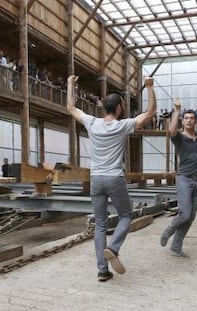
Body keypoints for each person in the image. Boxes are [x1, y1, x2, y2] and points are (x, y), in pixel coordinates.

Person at [66, 75, 156, 281]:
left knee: (100, 224)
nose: (124, 109)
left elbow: (71, 108)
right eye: (123, 106)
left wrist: (71, 84)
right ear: (118, 108)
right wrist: (150, 88)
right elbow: (150, 113)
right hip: (114, 178)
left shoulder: (92, 123)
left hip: (96, 179)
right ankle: (114, 248)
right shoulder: (122, 125)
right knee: (125, 215)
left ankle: (102, 269)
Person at [160, 95, 197, 257]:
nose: (189, 120)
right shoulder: (179, 138)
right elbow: (171, 131)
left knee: (190, 217)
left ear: (195, 121)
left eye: (192, 118)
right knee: (184, 213)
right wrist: (176, 111)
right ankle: (169, 230)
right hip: (184, 179)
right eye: (186, 118)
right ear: (182, 122)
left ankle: (176, 246)